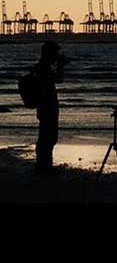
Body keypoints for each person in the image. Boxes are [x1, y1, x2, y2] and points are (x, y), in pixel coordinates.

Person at [33, 42, 66, 173]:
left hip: (45, 106)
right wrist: (60, 66)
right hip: (47, 106)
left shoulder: (41, 67)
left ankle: (44, 164)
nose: (57, 56)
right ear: (49, 54)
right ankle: (44, 166)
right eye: (55, 53)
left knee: (46, 136)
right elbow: (59, 79)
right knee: (48, 137)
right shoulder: (44, 68)